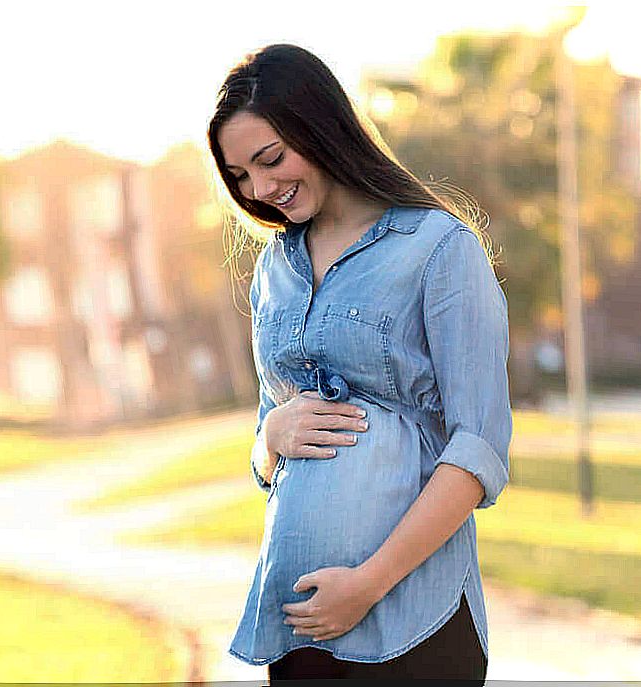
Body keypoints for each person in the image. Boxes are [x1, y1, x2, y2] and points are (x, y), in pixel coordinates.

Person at [206, 44, 512, 682]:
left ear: (321, 127)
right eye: (240, 177)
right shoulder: (274, 269)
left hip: (412, 620)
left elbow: (478, 450)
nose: (260, 189)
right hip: (300, 624)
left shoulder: (439, 248)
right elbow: (271, 439)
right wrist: (268, 440)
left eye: (270, 160)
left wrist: (368, 583)